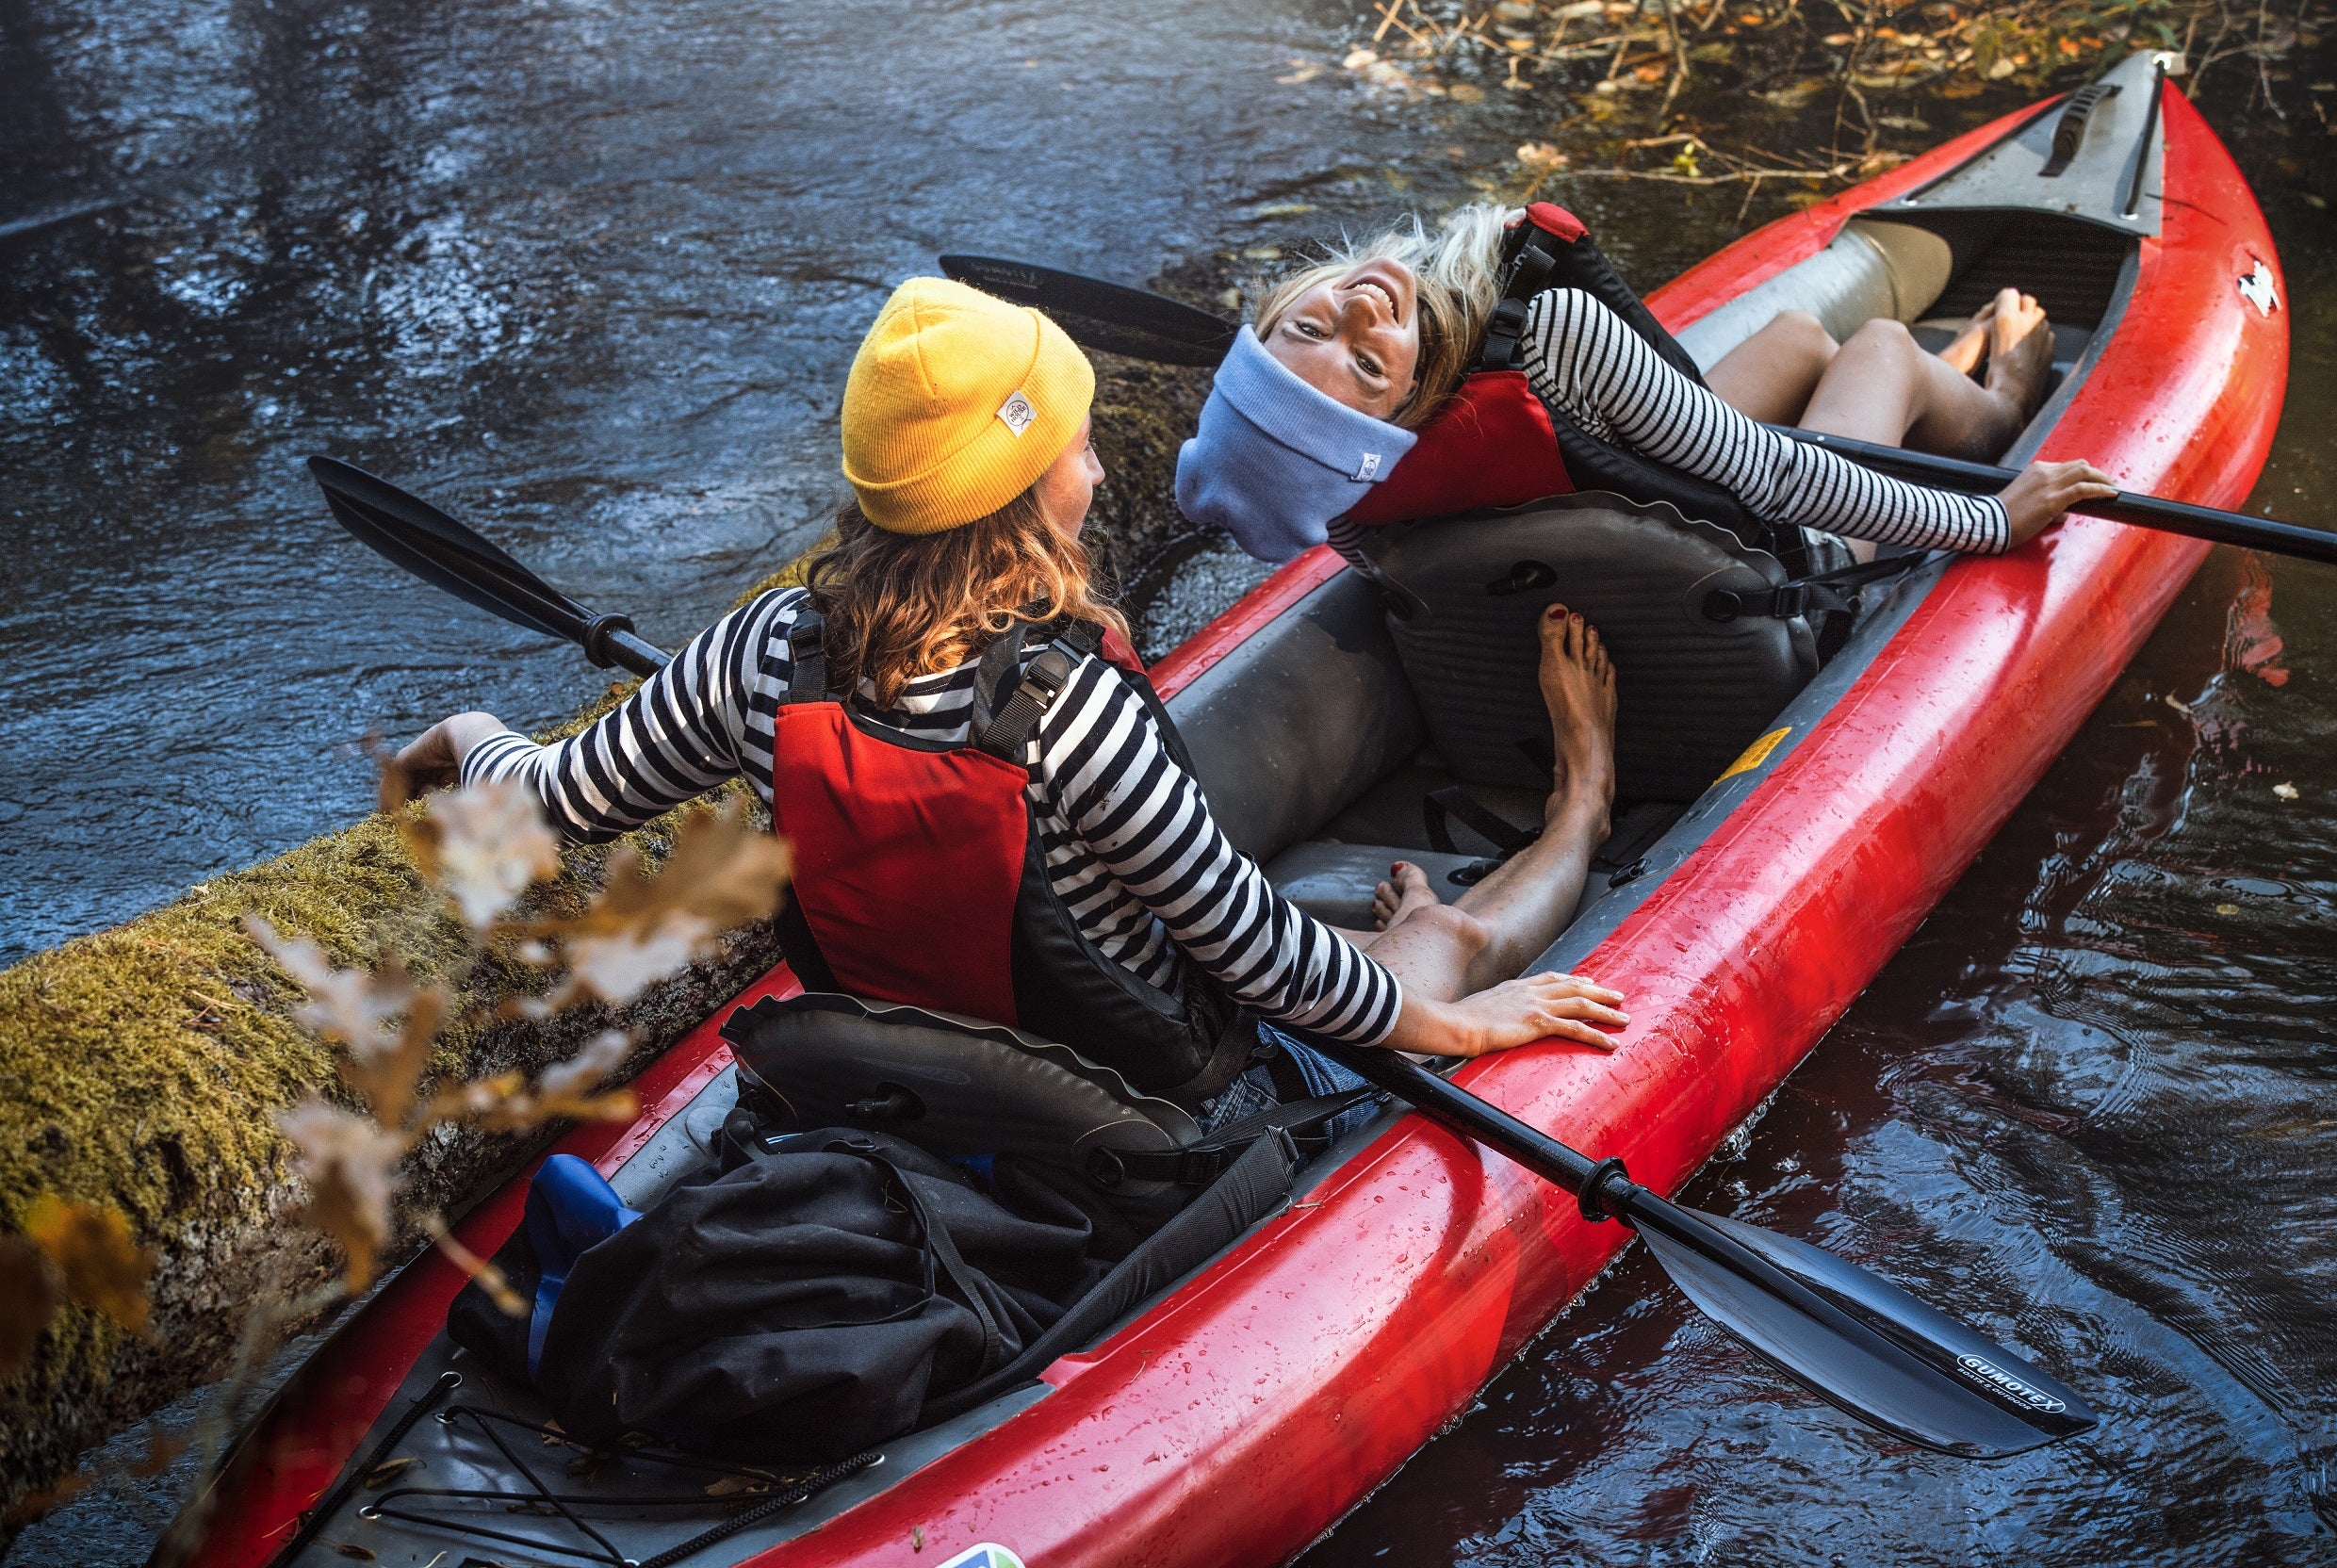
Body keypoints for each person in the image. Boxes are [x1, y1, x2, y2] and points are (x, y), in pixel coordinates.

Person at [391, 276, 1628, 1135]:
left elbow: (552, 802)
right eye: (1078, 447)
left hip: (908, 1078)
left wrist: (465, 735)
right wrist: (1460, 1029)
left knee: (1342, 947)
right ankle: (1578, 810)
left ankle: (1471, 900)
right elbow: (1261, 959)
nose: (1099, 463)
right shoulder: (1073, 715)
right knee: (1425, 951)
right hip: (1143, 1106)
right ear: (1027, 492)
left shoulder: (763, 650)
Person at [1175, 202, 2119, 567]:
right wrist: (1992, 520)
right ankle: (2001, 400)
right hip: (1782, 547)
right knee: (1877, 344)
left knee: (1798, 336)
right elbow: (1778, 477)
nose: (1361, 308)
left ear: (1277, 310)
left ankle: (1938, 378)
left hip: (1644, 509)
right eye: (1369, 361)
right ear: (1398, 408)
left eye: (1311, 325)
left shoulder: (1341, 493)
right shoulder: (1551, 332)